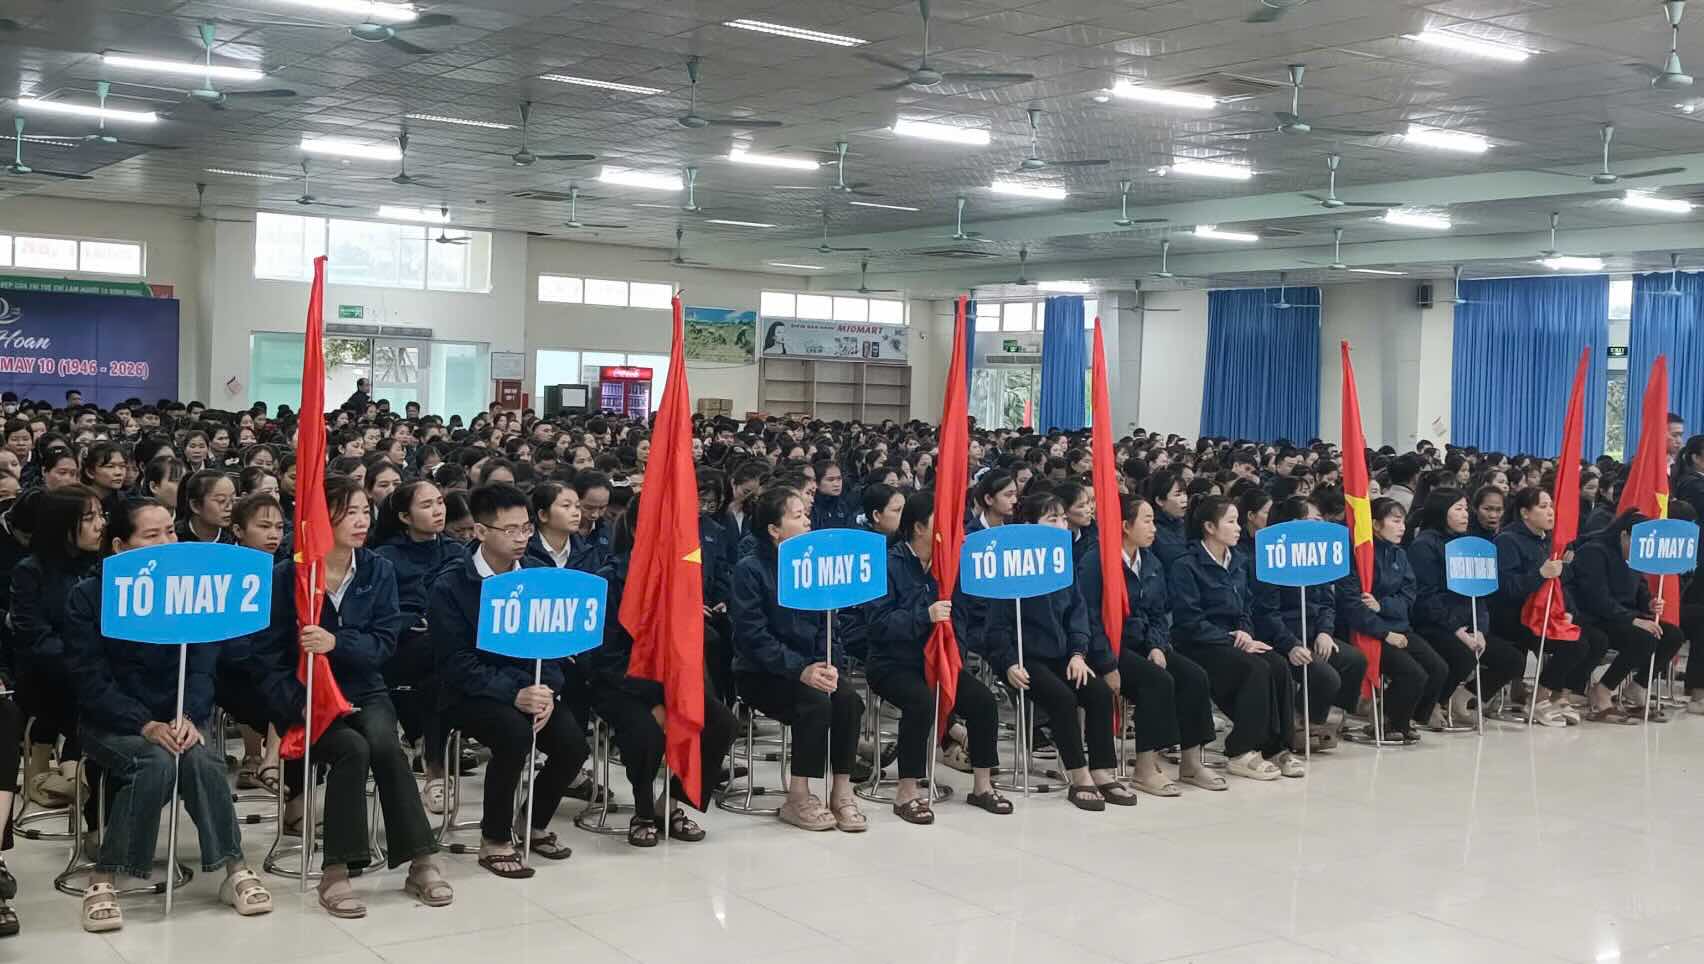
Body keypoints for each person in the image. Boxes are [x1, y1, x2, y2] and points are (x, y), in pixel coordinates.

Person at [243, 475, 450, 917]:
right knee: (352, 749)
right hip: (306, 697)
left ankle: (421, 862)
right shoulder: (289, 576)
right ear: (321, 520)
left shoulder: (377, 569)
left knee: (386, 746)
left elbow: (384, 642)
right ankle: (335, 871)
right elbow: (265, 657)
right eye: (348, 513)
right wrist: (296, 704)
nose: (360, 521)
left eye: (364, 511)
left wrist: (337, 643)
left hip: (364, 689)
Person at [67, 497, 273, 931]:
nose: (167, 542)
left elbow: (201, 667)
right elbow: (90, 681)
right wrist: (144, 723)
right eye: (152, 535)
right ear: (121, 546)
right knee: (156, 761)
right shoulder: (88, 597)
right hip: (113, 722)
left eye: (171, 532)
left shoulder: (189, 591)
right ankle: (103, 878)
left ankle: (234, 870)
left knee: (201, 760)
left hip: (176, 717)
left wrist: (189, 717)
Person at [430, 484, 587, 874]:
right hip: (469, 693)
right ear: (481, 532)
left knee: (572, 746)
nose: (521, 538)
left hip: (531, 687)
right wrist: (514, 692)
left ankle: (531, 822)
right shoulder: (452, 584)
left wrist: (547, 690)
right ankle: (494, 839)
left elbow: (554, 645)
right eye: (510, 530)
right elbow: (455, 662)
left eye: (526, 528)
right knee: (514, 734)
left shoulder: (536, 575)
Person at [585, 495, 736, 846]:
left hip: (670, 681)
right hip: (619, 683)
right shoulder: (611, 579)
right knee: (646, 732)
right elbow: (604, 658)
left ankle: (669, 803)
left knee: (721, 723)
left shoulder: (680, 578)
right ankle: (642, 810)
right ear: (639, 529)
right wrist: (655, 697)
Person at [866, 491, 1010, 823]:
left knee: (983, 701)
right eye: (940, 520)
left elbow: (960, 618)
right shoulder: (888, 564)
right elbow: (878, 624)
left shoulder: (947, 566)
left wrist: (953, 654)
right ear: (919, 527)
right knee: (920, 701)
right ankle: (907, 791)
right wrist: (924, 616)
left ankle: (982, 786)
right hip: (894, 663)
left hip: (939, 661)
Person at [730, 487, 866, 832]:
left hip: (811, 667)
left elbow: (828, 625)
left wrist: (827, 663)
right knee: (815, 703)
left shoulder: (813, 566)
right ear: (774, 530)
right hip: (762, 673)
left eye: (806, 514)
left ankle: (841, 791)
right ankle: (798, 795)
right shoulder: (750, 570)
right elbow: (753, 636)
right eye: (798, 516)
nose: (807, 522)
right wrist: (800, 669)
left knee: (848, 699)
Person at [986, 492, 1132, 810]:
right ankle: (1079, 776)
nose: (1062, 525)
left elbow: (1079, 615)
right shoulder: (1011, 566)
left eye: (1063, 518)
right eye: (1052, 519)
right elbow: (995, 628)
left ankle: (1102, 771)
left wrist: (1078, 653)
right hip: (1024, 659)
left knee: (1098, 692)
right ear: (1029, 525)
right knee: (1063, 699)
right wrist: (1008, 662)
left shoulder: (1063, 563)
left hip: (1063, 655)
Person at [1079, 493, 1223, 795]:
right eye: (1146, 521)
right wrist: (1107, 663)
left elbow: (1159, 613)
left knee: (1194, 676)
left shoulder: (1151, 561)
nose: (1154, 528)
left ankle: (1191, 762)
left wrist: (1157, 645)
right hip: (1108, 647)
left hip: (1144, 643)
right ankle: (1146, 767)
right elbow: (1089, 619)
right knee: (1157, 681)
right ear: (1125, 525)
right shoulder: (1097, 562)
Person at [1168, 495, 1302, 780]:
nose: (1238, 527)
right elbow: (1189, 620)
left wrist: (1244, 632)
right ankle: (1242, 749)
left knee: (1278, 664)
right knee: (1255, 668)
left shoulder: (1239, 561)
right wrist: (1232, 638)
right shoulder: (1186, 565)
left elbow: (1246, 607)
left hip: (1236, 640)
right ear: (1209, 527)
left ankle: (1277, 747)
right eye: (1230, 521)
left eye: (1238, 521)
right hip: (1199, 643)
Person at [372, 480, 468, 813]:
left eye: (440, 502)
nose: (438, 510)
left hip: (441, 651)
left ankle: (430, 759)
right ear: (404, 516)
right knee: (439, 660)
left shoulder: (457, 552)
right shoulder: (384, 557)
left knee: (438, 676)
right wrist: (412, 622)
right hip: (399, 648)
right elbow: (380, 613)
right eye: (427, 505)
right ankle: (433, 765)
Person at [12, 485, 105, 808]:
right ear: (63, 525)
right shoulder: (30, 571)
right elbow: (35, 637)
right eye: (89, 518)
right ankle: (74, 774)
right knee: (89, 693)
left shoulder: (102, 566)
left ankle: (74, 774)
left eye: (101, 515)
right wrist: (82, 663)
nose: (100, 525)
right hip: (48, 675)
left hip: (93, 669)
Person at [1255, 496, 1366, 751]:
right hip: (1282, 636)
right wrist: (1291, 644)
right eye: (1314, 520)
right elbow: (1266, 613)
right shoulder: (1271, 557)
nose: (1321, 525)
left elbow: (1327, 602)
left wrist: (1325, 632)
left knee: (1354, 660)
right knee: (1325, 676)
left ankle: (1316, 717)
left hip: (1314, 632)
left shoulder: (1317, 557)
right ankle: (1296, 722)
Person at [1336, 498, 1446, 743]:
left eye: (1403, 521)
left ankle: (1403, 716)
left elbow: (1408, 596)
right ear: (1375, 524)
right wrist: (1385, 633)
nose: (1402, 527)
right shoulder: (1358, 556)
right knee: (1413, 674)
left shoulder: (1400, 554)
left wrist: (1382, 605)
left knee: (1438, 668)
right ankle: (1390, 722)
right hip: (1368, 632)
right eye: (1395, 521)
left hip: (1398, 626)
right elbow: (1353, 605)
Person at [1568, 509, 1686, 723]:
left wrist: (1649, 603)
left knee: (1672, 635)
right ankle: (1603, 690)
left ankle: (1638, 686)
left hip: (1623, 616)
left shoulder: (1632, 557)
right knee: (1644, 638)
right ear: (1624, 535)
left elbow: (1639, 587)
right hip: (1596, 617)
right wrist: (1634, 619)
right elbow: (1596, 598)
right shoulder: (1594, 552)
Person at [1491, 487, 1586, 727]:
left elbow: (1558, 586)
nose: (1550, 512)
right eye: (1543, 507)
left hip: (1543, 614)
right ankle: (1539, 699)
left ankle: (1553, 696)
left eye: (1551, 506)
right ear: (1525, 512)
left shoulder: (1547, 542)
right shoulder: (1507, 541)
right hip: (1513, 617)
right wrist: (1540, 574)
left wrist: (1568, 610)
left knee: (1586, 638)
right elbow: (1506, 587)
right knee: (1574, 645)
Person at [224, 493, 287, 793]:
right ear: (238, 530)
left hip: (273, 664)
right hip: (231, 666)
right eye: (264, 526)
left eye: (279, 527)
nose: (274, 534)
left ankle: (271, 760)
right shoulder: (223, 568)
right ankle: (266, 759)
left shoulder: (286, 567)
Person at [176, 469, 237, 543]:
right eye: (221, 500)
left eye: (233, 500)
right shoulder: (173, 537)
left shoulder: (236, 537)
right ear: (195, 505)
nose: (230, 508)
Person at [1145, 467, 1190, 567]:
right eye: (1177, 494)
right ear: (1160, 501)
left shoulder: (1186, 524)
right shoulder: (1152, 529)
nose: (1184, 499)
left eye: (1184, 493)